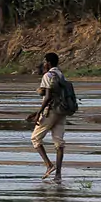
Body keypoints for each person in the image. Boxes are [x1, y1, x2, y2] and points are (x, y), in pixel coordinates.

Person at [30, 52, 67, 181]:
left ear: (48, 63)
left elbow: (47, 96)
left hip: (51, 111)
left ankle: (49, 165)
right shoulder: (61, 75)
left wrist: (39, 113)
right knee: (59, 144)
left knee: (35, 139)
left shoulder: (48, 75)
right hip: (62, 112)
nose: (44, 63)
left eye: (45, 61)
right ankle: (58, 175)